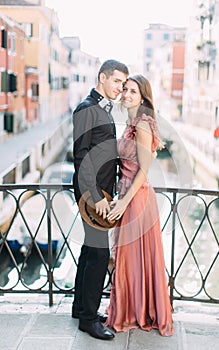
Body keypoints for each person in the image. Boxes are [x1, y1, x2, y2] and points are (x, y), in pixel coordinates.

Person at [106, 74, 174, 336]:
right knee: (129, 258)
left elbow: (144, 170)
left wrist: (124, 203)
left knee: (130, 257)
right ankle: (133, 309)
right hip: (128, 194)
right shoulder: (132, 123)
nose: (127, 94)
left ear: (143, 97)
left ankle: (133, 313)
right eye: (125, 90)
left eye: (133, 91)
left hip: (136, 198)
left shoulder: (143, 124)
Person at [72, 59, 129, 341]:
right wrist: (95, 198)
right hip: (93, 196)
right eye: (117, 81)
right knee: (98, 254)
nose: (121, 87)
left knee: (88, 250)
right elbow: (80, 158)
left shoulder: (102, 108)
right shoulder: (87, 109)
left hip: (102, 193)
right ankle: (88, 320)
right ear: (102, 78)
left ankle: (79, 307)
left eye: (123, 83)